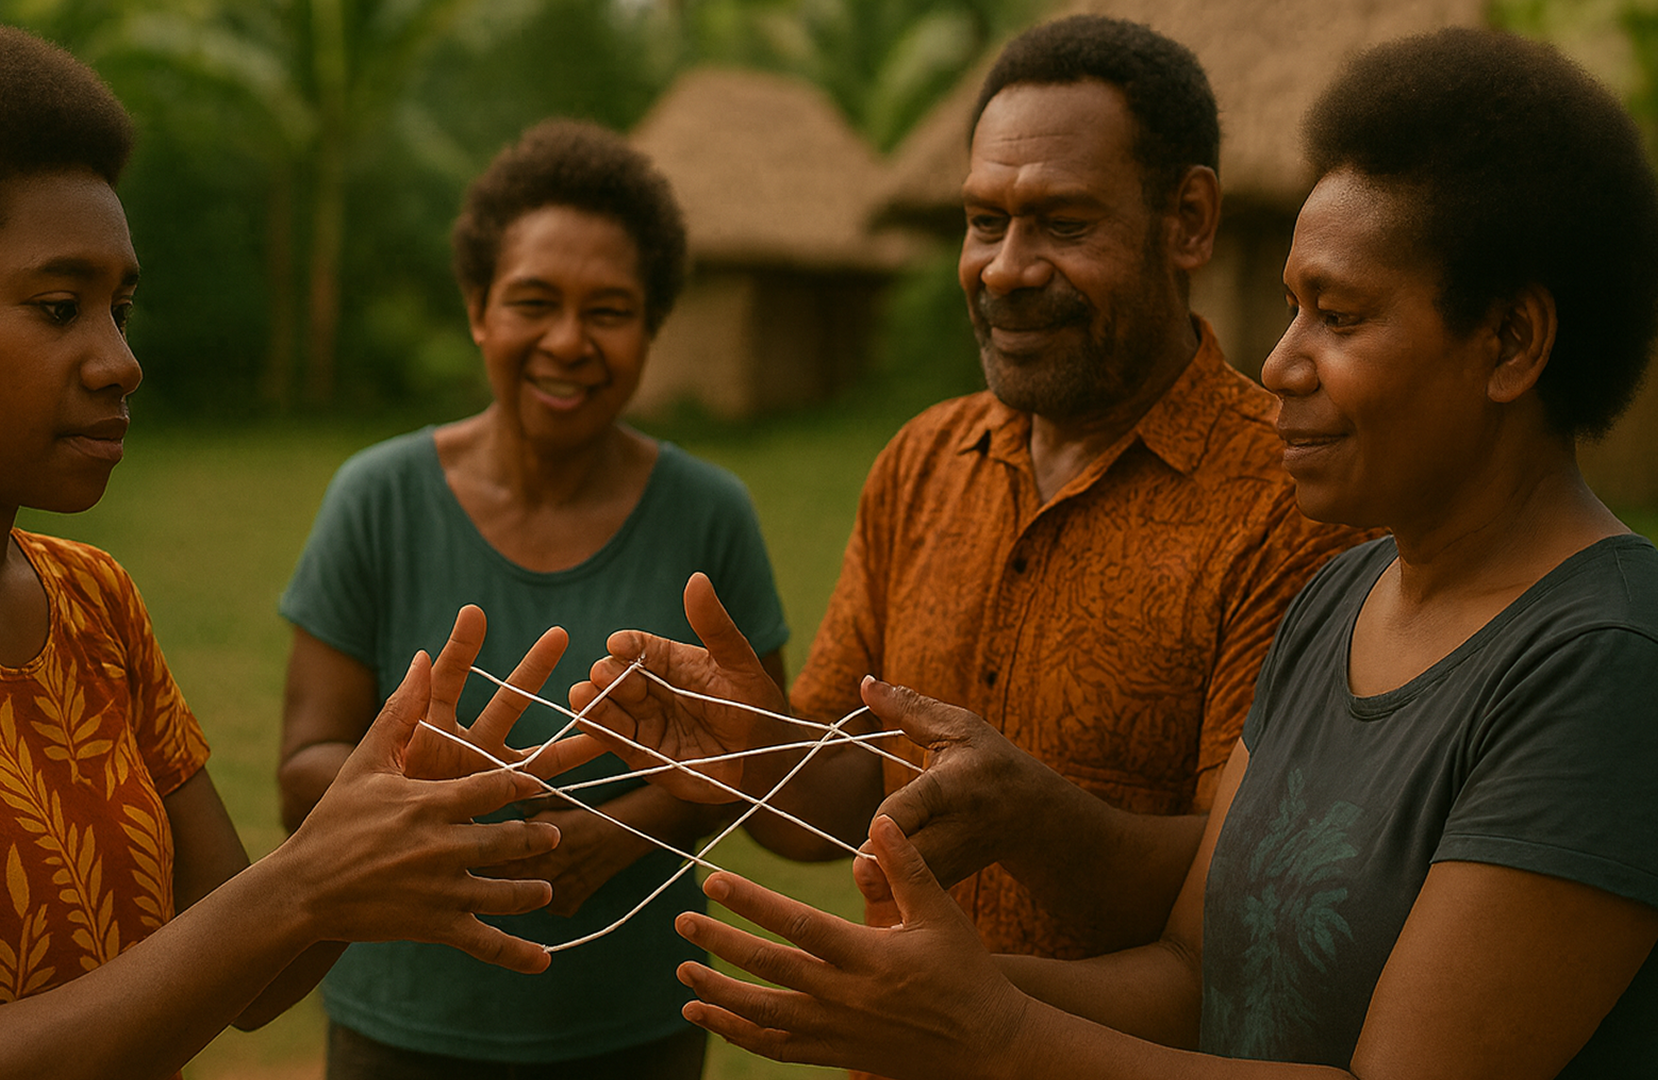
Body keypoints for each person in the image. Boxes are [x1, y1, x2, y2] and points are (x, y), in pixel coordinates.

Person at [602, 27, 1658, 1079]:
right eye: (1292, 309)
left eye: (1337, 316)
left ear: (1512, 342)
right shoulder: (1345, 598)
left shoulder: (1602, 659)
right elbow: (1198, 974)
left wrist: (997, 1030)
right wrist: (893, 977)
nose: (1283, 361)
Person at [0, 18, 599, 1080]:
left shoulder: (90, 602)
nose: (118, 361)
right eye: (59, 308)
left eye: (121, 307)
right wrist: (305, 886)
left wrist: (384, 815)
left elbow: (253, 971)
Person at [583, 13, 1365, 990]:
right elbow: (840, 803)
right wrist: (751, 748)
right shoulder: (921, 464)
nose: (1006, 267)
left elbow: (1252, 898)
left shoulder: (1292, 506)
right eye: (984, 220)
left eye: (1063, 223)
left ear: (1191, 220)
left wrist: (1036, 821)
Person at [274, 119, 788, 1079]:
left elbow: (757, 759)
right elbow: (303, 766)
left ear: (652, 327)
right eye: (533, 302)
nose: (567, 341)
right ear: (477, 308)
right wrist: (433, 794)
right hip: (404, 1020)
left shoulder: (712, 514)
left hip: (634, 1021)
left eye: (610, 310)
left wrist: (620, 833)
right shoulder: (376, 499)